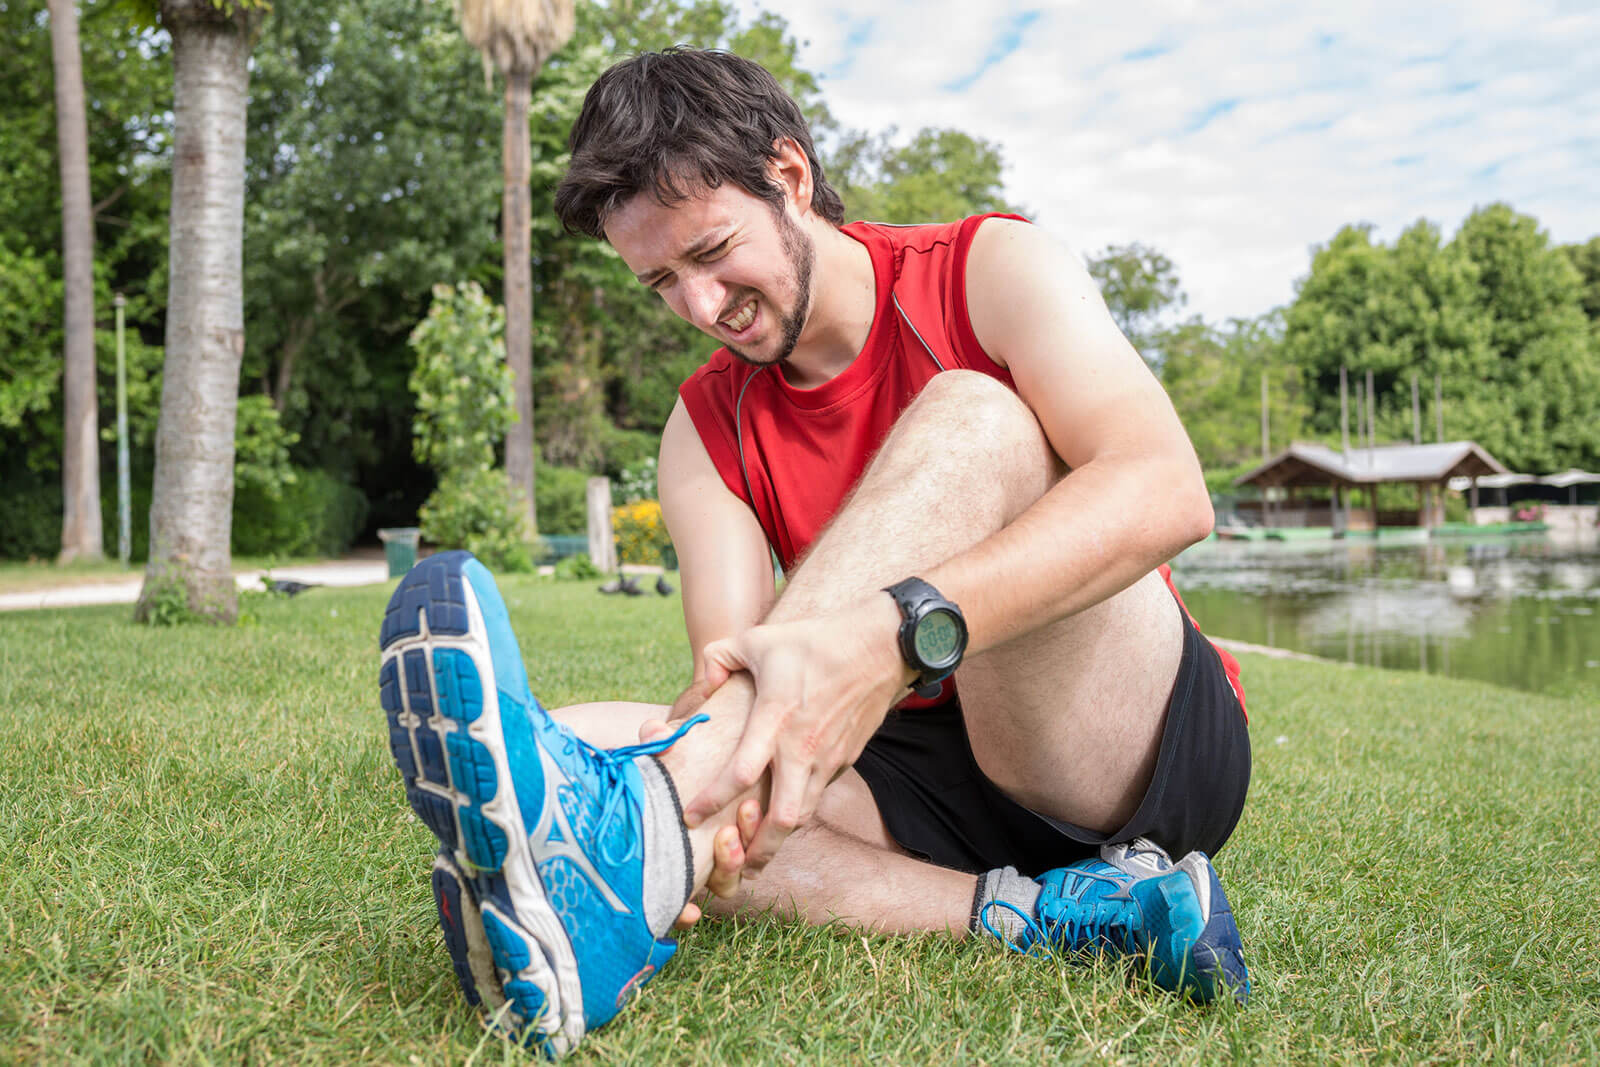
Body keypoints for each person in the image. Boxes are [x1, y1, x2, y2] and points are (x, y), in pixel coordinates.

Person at [377, 48, 1251, 1057]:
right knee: (590, 742)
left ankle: (641, 858)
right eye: (660, 280)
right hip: (912, 766)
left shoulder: (988, 270)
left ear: (788, 176)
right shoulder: (705, 426)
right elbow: (734, 688)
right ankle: (1056, 913)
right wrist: (711, 767)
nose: (701, 307)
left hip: (1124, 735)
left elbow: (1165, 487)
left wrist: (890, 635)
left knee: (977, 416)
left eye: (710, 252)